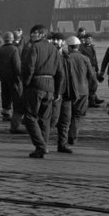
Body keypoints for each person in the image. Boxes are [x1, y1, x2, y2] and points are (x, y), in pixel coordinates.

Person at [21, 24, 63, 158]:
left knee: (30, 117)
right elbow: (60, 72)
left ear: (40, 34)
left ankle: (41, 146)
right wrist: (58, 91)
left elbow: (29, 68)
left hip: (36, 86)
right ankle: (42, 148)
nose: (31, 35)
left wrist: (26, 84)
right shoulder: (54, 49)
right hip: (50, 87)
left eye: (33, 33)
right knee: (45, 119)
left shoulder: (34, 48)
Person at [56, 36, 94, 153]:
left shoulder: (65, 58)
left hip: (68, 92)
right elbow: (91, 76)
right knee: (77, 115)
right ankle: (72, 136)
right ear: (78, 46)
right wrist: (92, 90)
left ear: (69, 46)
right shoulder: (85, 58)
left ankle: (64, 138)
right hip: (83, 91)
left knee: (65, 117)